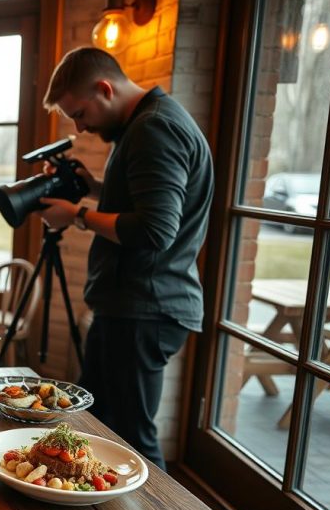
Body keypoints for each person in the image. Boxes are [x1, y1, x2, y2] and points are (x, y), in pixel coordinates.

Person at [37, 47, 214, 470]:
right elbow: (146, 204)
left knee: (134, 440)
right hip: (129, 307)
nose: (80, 127)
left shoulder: (155, 129)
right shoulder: (147, 124)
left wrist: (76, 215)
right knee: (92, 422)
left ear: (104, 88)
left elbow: (154, 230)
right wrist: (93, 187)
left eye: (80, 113)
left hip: (145, 310)